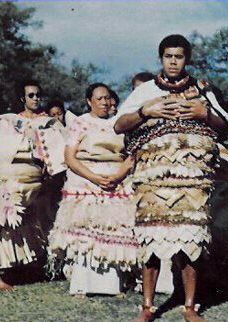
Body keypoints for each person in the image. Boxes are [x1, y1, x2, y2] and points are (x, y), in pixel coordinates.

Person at [114, 34, 228, 322]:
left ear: (186, 59)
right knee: (151, 236)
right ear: (161, 58)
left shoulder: (201, 90)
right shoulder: (146, 90)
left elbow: (224, 127)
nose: (174, 61)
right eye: (168, 56)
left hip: (192, 178)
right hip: (154, 175)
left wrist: (204, 113)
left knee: (190, 237)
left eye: (179, 56)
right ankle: (148, 307)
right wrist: (145, 111)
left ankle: (190, 306)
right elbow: (119, 125)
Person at [48, 83, 138, 296]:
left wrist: (117, 176)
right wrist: (94, 178)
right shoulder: (80, 123)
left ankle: (113, 284)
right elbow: (70, 156)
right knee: (86, 229)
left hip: (116, 177)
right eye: (99, 99)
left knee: (114, 227)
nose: (105, 102)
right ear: (89, 101)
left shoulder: (120, 123)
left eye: (107, 98)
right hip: (85, 177)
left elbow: (132, 155)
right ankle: (83, 284)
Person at [0, 80, 66, 290]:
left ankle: (31, 267)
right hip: (9, 178)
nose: (36, 99)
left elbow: (60, 151)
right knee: (6, 221)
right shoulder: (8, 121)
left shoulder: (50, 123)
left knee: (34, 223)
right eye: (31, 95)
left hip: (37, 182)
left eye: (38, 95)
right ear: (22, 98)